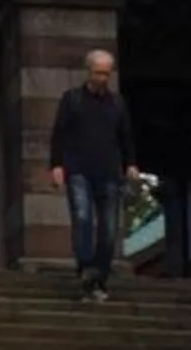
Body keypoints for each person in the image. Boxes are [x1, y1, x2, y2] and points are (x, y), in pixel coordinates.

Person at [48, 46, 142, 302]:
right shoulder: (72, 99)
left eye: (106, 73)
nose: (102, 78)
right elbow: (59, 134)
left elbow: (126, 136)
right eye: (98, 73)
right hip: (78, 168)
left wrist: (131, 163)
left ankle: (99, 275)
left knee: (109, 229)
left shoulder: (117, 103)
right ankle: (87, 268)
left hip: (109, 171)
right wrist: (56, 165)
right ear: (88, 72)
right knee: (82, 217)